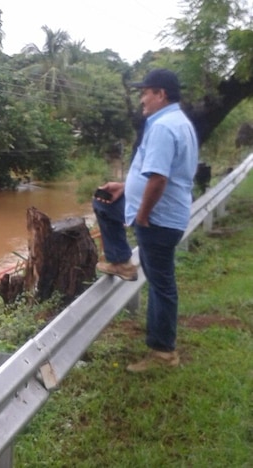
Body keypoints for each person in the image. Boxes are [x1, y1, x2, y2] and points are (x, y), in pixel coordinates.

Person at [92, 68, 199, 373]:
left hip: (157, 219)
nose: (141, 99)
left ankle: (164, 352)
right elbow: (160, 172)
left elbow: (159, 178)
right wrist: (126, 188)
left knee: (162, 284)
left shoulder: (165, 127)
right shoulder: (176, 122)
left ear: (160, 94)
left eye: (146, 92)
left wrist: (142, 216)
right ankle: (121, 261)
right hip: (162, 214)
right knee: (102, 200)